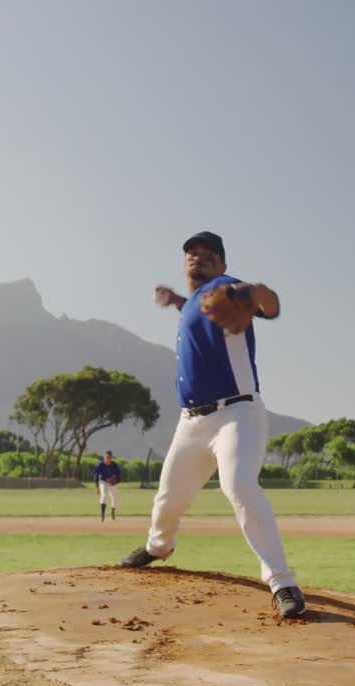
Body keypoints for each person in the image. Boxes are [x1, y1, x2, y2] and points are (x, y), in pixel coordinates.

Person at [117, 230, 305, 619]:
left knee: (237, 485)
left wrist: (256, 292)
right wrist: (175, 302)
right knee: (168, 498)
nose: (198, 258)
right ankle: (158, 547)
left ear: (222, 265)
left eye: (207, 255)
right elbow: (199, 310)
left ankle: (281, 581)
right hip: (191, 424)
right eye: (191, 254)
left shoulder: (228, 290)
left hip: (236, 415)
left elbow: (270, 304)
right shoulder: (196, 304)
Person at [94, 451, 121, 521]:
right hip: (104, 482)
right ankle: (102, 515)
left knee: (115, 497)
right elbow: (96, 476)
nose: (107, 459)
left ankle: (113, 511)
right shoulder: (100, 465)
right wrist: (97, 488)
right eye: (106, 457)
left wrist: (114, 482)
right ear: (104, 457)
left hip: (112, 483)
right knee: (104, 495)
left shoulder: (115, 465)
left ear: (111, 458)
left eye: (109, 457)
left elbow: (119, 478)